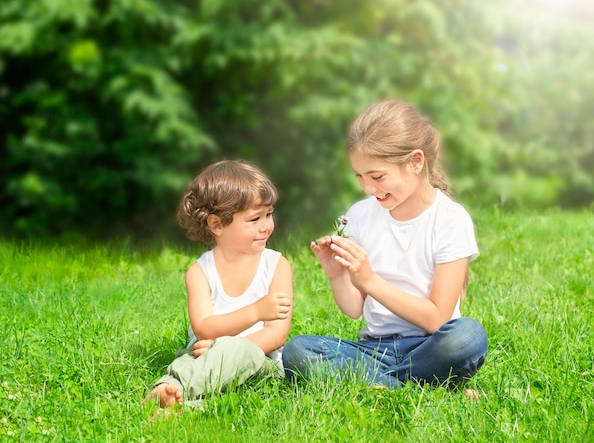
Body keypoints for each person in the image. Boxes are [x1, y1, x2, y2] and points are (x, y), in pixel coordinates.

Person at [282, 99, 488, 391]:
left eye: (377, 176)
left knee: (468, 337)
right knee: (298, 351)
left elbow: (437, 318)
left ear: (416, 162)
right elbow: (354, 309)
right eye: (360, 176)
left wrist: (371, 281)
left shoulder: (450, 219)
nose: (367, 187)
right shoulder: (360, 216)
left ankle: (380, 384)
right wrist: (337, 274)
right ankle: (418, 385)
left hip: (431, 344)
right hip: (375, 350)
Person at [144, 160, 293, 410]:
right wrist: (253, 313)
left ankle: (178, 392)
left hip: (257, 358)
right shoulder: (200, 272)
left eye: (269, 214)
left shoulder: (276, 265)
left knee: (236, 362)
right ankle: (171, 397)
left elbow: (276, 334)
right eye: (255, 218)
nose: (266, 225)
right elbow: (204, 329)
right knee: (188, 361)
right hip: (204, 355)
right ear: (216, 224)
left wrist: (225, 349)